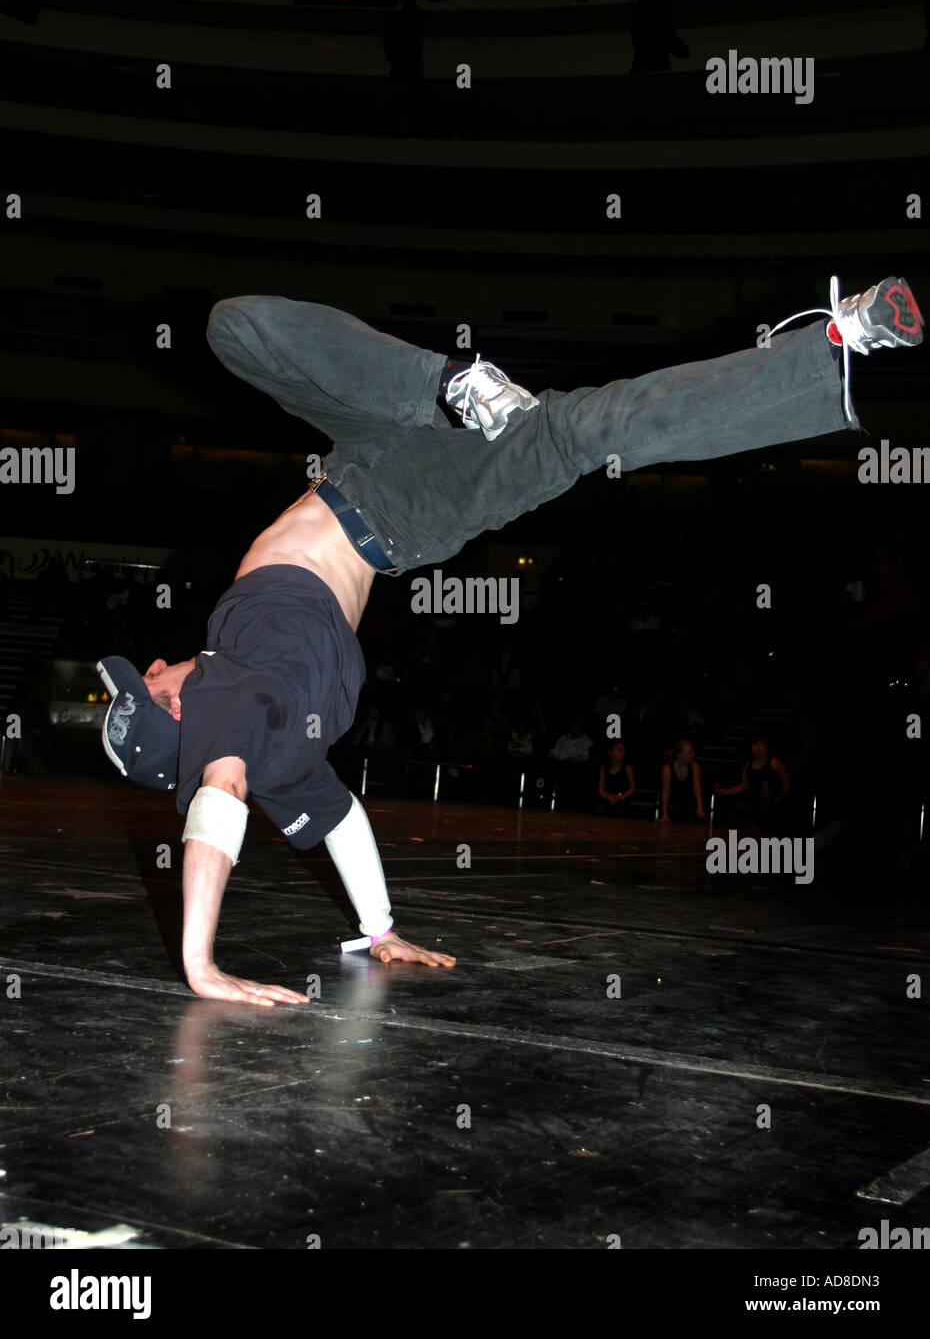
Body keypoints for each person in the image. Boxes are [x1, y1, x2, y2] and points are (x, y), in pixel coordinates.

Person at [96, 276, 923, 1005]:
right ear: (178, 716)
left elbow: (337, 820)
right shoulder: (225, 706)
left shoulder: (270, 747)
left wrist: (379, 929)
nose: (161, 664)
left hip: (362, 452)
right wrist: (200, 963)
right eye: (153, 684)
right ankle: (835, 345)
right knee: (579, 432)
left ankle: (455, 384)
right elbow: (218, 798)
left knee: (234, 328)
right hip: (403, 501)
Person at [714, 732, 790, 827]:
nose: (758, 748)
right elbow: (743, 786)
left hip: (773, 800)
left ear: (767, 748)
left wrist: (781, 795)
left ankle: (761, 819)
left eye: (762, 745)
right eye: (755, 744)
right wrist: (724, 792)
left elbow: (786, 780)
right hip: (753, 800)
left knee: (765, 786)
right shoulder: (748, 766)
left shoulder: (774, 763)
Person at [660, 738, 705, 823]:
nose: (693, 755)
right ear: (679, 755)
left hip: (690, 806)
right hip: (674, 807)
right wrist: (665, 813)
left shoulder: (694, 766)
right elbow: (666, 792)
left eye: (693, 752)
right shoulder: (667, 769)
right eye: (689, 753)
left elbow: (697, 787)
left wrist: (699, 807)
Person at [597, 739, 636, 815]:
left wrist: (620, 797)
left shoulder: (627, 768)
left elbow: (632, 789)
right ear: (610, 752)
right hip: (609, 797)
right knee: (600, 804)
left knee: (621, 807)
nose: (622, 753)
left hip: (622, 798)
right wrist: (608, 797)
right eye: (619, 750)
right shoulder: (604, 768)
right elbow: (600, 789)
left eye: (623, 750)